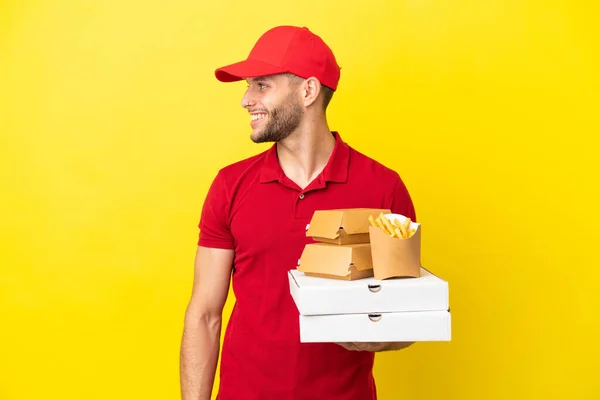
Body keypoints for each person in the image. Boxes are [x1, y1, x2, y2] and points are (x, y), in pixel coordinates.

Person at [180, 25, 417, 400]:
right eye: (248, 86)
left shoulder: (383, 188)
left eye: (261, 85)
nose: (246, 99)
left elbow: (406, 316)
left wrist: (379, 338)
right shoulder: (230, 185)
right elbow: (204, 314)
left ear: (307, 91)